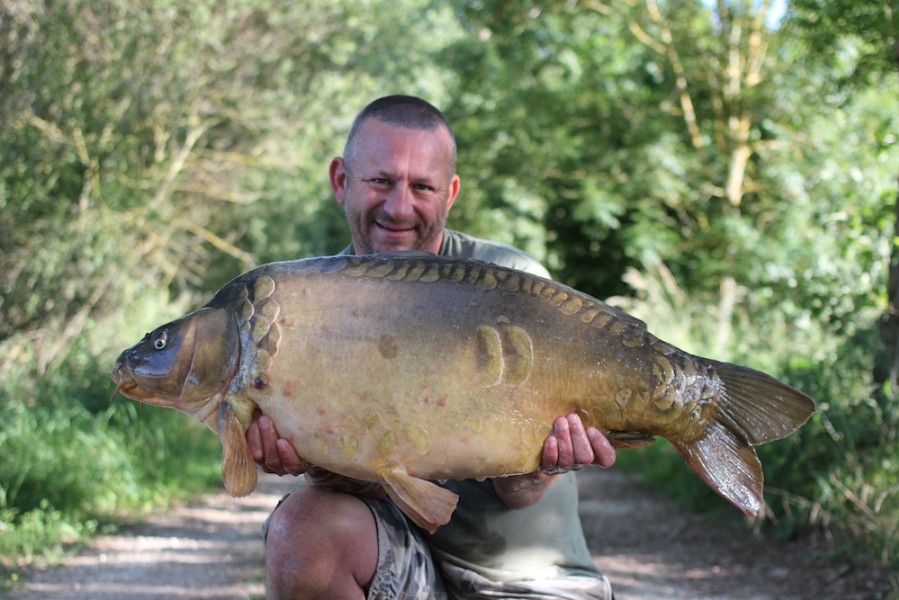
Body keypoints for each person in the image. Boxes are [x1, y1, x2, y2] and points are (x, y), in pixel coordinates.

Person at [246, 95, 617, 599]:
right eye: (380, 181)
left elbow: (519, 494)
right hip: (403, 573)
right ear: (341, 180)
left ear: (451, 193)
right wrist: (309, 455)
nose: (399, 207)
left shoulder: (513, 286)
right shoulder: (303, 307)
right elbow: (360, 483)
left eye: (422, 186)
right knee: (301, 532)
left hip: (523, 582)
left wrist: (545, 464)